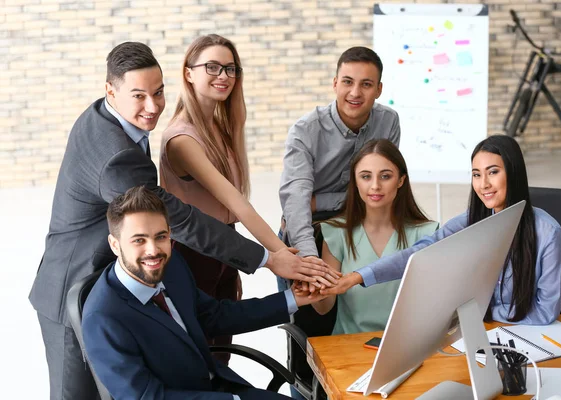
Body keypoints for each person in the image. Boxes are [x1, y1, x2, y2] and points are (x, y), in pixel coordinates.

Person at [29, 42, 334, 400]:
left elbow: (214, 313)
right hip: (73, 282)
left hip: (123, 271)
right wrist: (268, 258)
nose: (153, 106)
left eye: (158, 93)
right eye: (139, 95)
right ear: (110, 90)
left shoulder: (109, 116)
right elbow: (182, 219)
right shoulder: (118, 156)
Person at [83, 186, 330, 400]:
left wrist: (293, 299)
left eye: (161, 237)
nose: (153, 250)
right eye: (139, 240)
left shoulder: (172, 264)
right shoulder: (103, 317)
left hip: (217, 387)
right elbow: (146, 397)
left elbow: (214, 315)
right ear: (115, 244)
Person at [160, 35, 308, 363]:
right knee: (200, 361)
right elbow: (239, 203)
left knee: (220, 356)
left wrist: (236, 264)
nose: (223, 75)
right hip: (193, 254)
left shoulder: (220, 127)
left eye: (230, 68)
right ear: (188, 73)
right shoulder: (182, 138)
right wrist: (281, 256)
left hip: (223, 251)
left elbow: (232, 210)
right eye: (212, 66)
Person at [320, 135, 561, 325]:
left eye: (493, 172)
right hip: (482, 335)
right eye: (476, 174)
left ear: (513, 173)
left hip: (530, 337)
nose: (484, 184)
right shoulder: (472, 221)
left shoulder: (547, 232)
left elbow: (545, 311)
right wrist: (358, 276)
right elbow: (420, 253)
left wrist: (483, 312)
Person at [278, 46, 401, 292]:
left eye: (366, 84)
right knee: (306, 321)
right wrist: (310, 260)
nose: (355, 92)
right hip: (308, 229)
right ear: (335, 83)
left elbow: (384, 189)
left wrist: (321, 200)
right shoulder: (305, 131)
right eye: (348, 82)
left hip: (359, 228)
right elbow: (297, 203)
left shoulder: (388, 122)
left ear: (379, 90)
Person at [305, 140, 438, 334]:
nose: (375, 185)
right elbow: (324, 307)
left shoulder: (427, 233)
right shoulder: (336, 234)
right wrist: (315, 289)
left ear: (401, 180)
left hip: (406, 346)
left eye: (385, 176)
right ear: (355, 181)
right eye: (366, 177)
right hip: (349, 350)